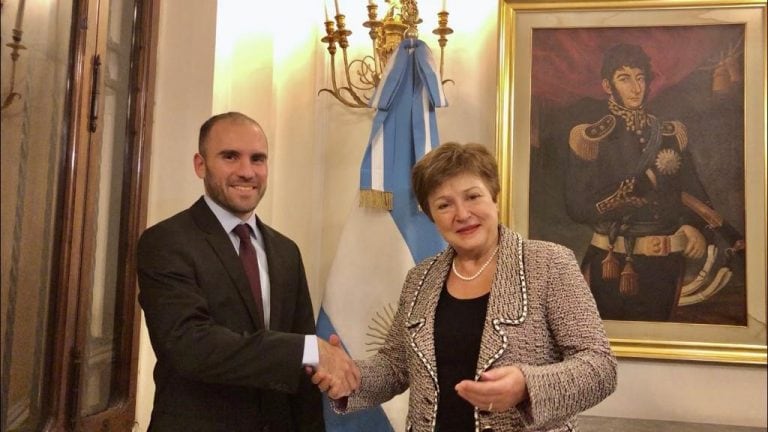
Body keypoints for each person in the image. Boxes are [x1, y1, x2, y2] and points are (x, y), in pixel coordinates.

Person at [314, 142, 617, 431]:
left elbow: (600, 368)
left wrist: (526, 385)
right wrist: (352, 377)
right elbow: (396, 366)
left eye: (473, 197)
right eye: (444, 205)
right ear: (431, 216)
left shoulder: (549, 263)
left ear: (494, 196)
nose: (462, 214)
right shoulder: (420, 278)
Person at [137, 112, 359, 431]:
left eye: (258, 159)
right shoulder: (166, 242)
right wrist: (308, 350)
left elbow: (302, 373)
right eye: (230, 157)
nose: (246, 171)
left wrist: (317, 359)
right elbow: (190, 346)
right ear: (201, 165)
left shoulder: (286, 251)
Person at [565, 43, 744, 322]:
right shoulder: (592, 137)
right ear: (607, 85)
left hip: (666, 266)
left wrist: (694, 227)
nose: (636, 88)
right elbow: (578, 208)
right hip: (610, 262)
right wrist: (623, 194)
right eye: (625, 78)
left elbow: (692, 193)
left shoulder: (670, 134)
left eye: (640, 77)